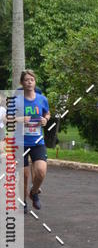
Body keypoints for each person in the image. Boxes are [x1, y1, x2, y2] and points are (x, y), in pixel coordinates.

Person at [20, 69, 50, 211]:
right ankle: (23, 201)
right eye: (26, 80)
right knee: (25, 176)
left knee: (41, 171)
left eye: (31, 80)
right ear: (22, 83)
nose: (29, 82)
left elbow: (47, 113)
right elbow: (7, 119)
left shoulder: (42, 99)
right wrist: (21, 119)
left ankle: (34, 192)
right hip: (20, 143)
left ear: (35, 82)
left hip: (37, 141)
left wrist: (45, 120)